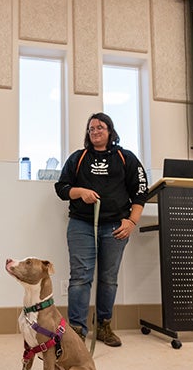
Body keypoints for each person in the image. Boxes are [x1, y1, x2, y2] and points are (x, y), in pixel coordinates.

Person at [54, 112, 148, 347]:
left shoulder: (125, 158)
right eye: (91, 128)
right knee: (80, 278)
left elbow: (141, 191)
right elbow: (62, 187)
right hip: (81, 225)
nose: (95, 131)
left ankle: (104, 325)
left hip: (116, 227)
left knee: (108, 278)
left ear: (110, 131)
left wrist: (132, 221)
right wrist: (80, 192)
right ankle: (76, 330)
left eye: (100, 127)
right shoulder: (78, 157)